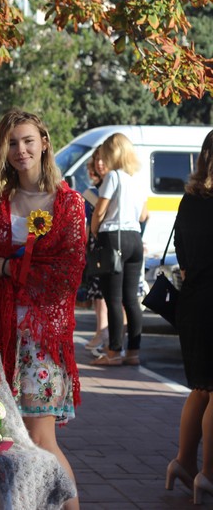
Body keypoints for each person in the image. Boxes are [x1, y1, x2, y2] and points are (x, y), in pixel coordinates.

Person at [0, 110, 85, 510]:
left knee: (41, 441)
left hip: (41, 341)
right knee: (6, 442)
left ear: (44, 142)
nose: (20, 150)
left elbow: (67, 273)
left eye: (28, 140)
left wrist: (9, 268)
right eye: (11, 143)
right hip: (0, 335)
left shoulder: (69, 203)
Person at [166, 130, 213, 505]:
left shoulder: (189, 199)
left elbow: (182, 258)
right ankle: (208, 475)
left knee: (201, 388)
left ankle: (183, 462)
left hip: (193, 303)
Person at [89, 133, 148, 366]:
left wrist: (95, 230)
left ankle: (113, 352)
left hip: (114, 237)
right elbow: (143, 215)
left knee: (113, 298)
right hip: (134, 238)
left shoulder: (113, 176)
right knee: (131, 299)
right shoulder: (136, 179)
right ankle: (133, 352)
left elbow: (100, 209)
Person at [82, 150, 109, 351]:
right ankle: (101, 332)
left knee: (109, 294)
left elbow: (144, 215)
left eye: (103, 159)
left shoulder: (115, 186)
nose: (99, 164)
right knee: (97, 293)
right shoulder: (91, 191)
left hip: (107, 244)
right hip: (94, 245)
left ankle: (108, 336)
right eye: (96, 159)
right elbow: (86, 223)